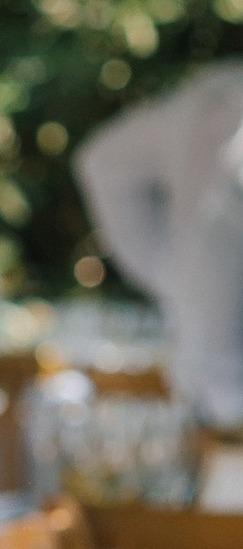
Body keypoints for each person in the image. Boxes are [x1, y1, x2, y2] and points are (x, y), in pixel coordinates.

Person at [76, 64, 243, 429]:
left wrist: (170, 277)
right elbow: (103, 165)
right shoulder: (220, 107)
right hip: (218, 404)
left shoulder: (217, 98)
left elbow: (103, 165)